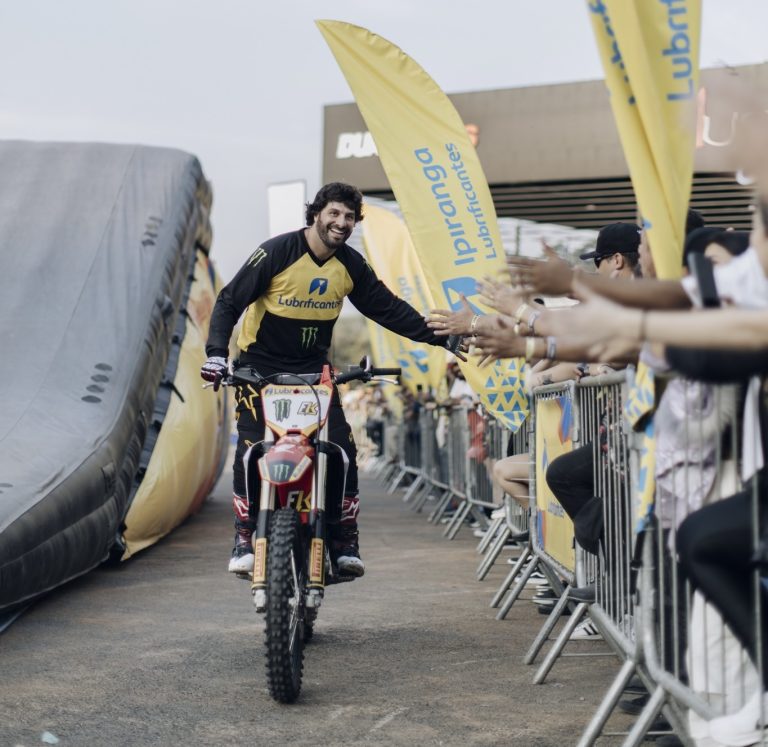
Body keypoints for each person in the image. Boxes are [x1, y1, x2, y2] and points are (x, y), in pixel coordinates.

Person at [201, 182, 449, 576]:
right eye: (334, 213)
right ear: (316, 213)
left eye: (349, 217)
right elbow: (230, 301)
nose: (341, 222)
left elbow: (386, 308)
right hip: (257, 371)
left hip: (313, 375)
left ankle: (344, 537)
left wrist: (441, 337)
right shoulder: (277, 251)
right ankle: (245, 535)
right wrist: (217, 356)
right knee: (250, 450)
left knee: (342, 450)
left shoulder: (349, 264)